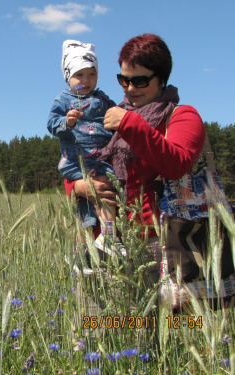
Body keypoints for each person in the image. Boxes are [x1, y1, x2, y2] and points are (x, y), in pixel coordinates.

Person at [66, 33, 206, 281]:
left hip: (157, 245)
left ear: (161, 78)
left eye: (140, 80)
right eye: (124, 80)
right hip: (101, 244)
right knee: (96, 321)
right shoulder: (109, 115)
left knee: (152, 321)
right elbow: (80, 158)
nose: (130, 88)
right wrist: (77, 186)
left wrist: (129, 124)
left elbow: (177, 164)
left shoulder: (182, 116)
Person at [47, 40, 125, 254]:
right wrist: (68, 122)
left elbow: (119, 114)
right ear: (68, 77)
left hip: (100, 158)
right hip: (75, 160)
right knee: (85, 206)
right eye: (79, 76)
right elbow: (51, 124)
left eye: (91, 74)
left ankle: (109, 236)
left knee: (107, 192)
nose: (86, 80)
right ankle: (82, 249)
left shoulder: (102, 99)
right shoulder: (63, 101)